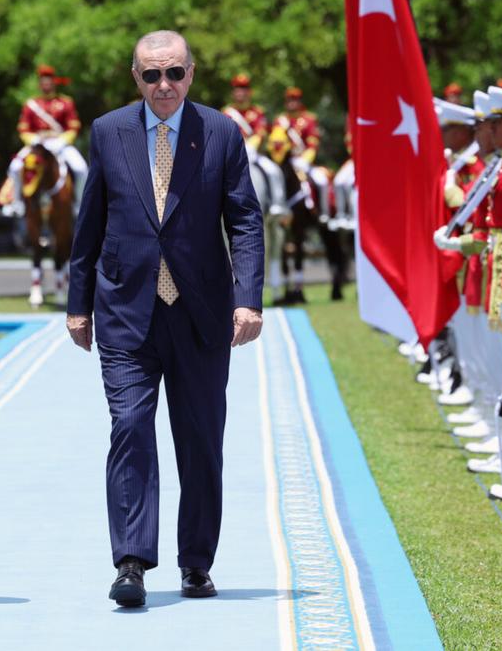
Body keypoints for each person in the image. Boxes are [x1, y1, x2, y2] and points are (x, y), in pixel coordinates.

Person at [65, 30, 264, 608]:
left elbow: (245, 221)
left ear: (191, 73)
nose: (164, 85)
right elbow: (89, 224)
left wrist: (247, 298)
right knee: (129, 429)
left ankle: (196, 563)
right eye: (151, 75)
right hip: (127, 311)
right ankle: (131, 562)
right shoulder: (108, 132)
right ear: (136, 78)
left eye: (174, 73)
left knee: (200, 443)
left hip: (201, 314)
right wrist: (78, 305)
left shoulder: (222, 133)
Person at [3, 64, 86, 216]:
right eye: (43, 81)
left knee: (81, 169)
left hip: (61, 143)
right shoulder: (31, 105)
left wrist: (62, 140)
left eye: (48, 81)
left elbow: (73, 126)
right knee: (15, 167)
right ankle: (17, 202)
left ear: (54, 82)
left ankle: (79, 204)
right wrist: (34, 139)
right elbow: (23, 128)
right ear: (40, 84)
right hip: (37, 144)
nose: (46, 84)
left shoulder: (66, 102)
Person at [223, 74, 286, 214]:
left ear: (249, 92)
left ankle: (278, 204)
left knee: (274, 171)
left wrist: (251, 145)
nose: (240, 92)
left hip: (254, 153)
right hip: (233, 154)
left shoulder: (257, 112)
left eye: (244, 89)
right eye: (237, 89)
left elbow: (261, 132)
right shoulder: (226, 113)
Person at [275, 87, 331, 221]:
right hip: (286, 160)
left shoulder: (309, 120)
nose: (292, 103)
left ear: (300, 102)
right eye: (289, 100)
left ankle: (324, 213)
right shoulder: (280, 121)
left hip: (304, 161)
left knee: (322, 181)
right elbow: (276, 143)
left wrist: (305, 160)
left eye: (295, 100)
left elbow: (313, 144)